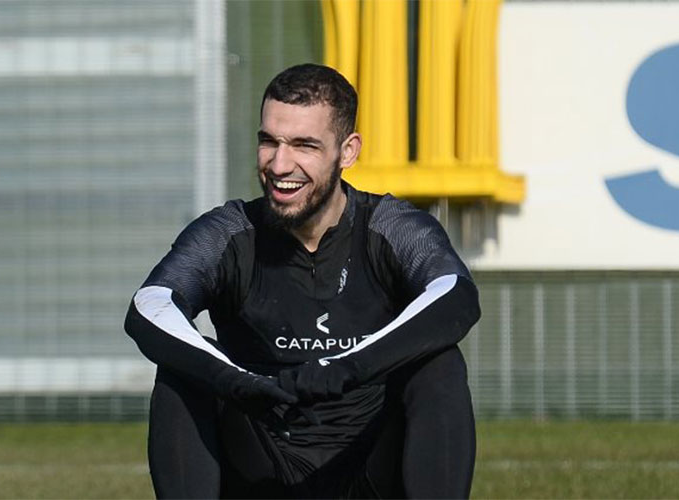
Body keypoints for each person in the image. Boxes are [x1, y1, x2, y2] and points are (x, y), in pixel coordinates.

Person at [124, 63, 481, 499]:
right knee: (181, 370)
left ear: (347, 152)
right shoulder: (229, 232)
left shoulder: (391, 227)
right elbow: (151, 305)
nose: (280, 164)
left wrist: (346, 367)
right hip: (262, 467)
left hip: (369, 469)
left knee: (440, 363)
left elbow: (454, 295)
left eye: (304, 145)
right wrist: (234, 379)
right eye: (269, 141)